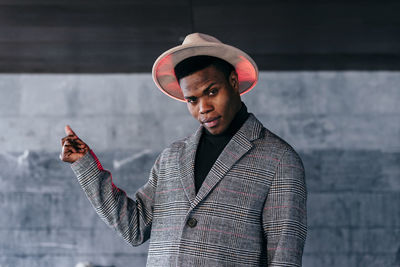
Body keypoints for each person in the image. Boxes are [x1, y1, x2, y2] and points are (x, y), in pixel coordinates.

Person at [60, 33, 307, 267]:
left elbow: (284, 257)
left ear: (233, 82)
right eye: (192, 100)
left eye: (212, 91)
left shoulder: (279, 159)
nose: (203, 108)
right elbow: (134, 229)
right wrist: (84, 164)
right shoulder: (172, 156)